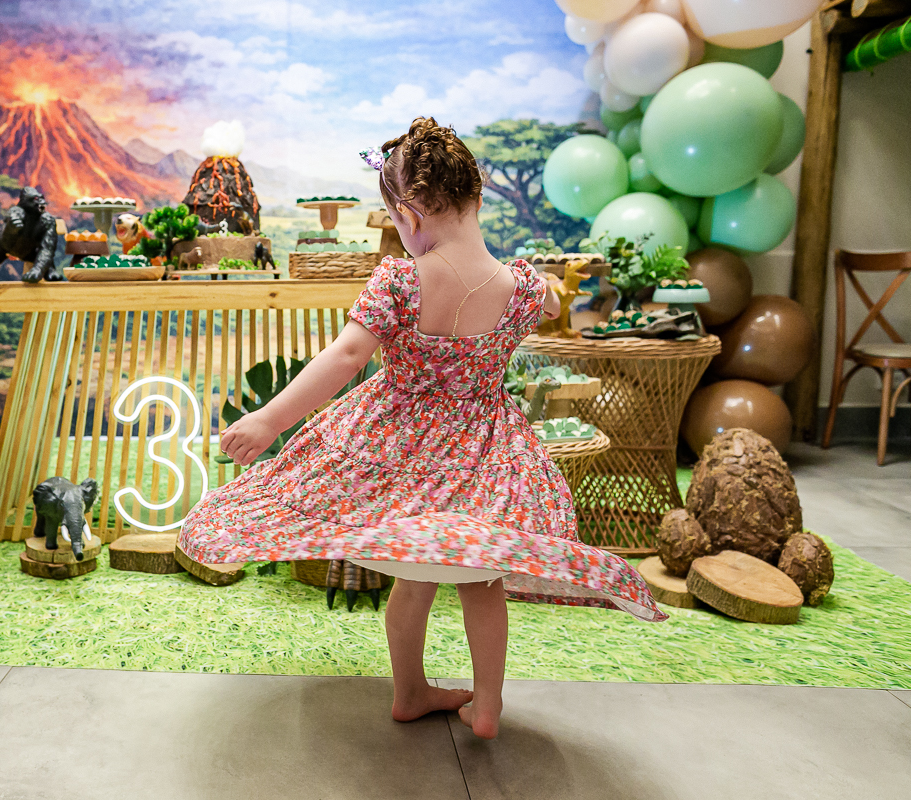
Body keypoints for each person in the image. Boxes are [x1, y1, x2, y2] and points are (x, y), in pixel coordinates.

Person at [178, 117, 666, 740]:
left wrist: (269, 419)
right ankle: (486, 705)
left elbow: (346, 358)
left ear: (407, 215)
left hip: (403, 460)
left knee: (413, 583)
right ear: (478, 196)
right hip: (487, 459)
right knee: (481, 580)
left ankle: (409, 690)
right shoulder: (521, 286)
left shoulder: (401, 282)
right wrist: (543, 291)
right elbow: (548, 299)